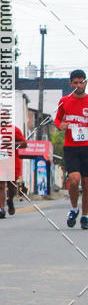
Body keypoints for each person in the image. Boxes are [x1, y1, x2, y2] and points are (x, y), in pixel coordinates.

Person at [54, 69, 88, 229]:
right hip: (71, 147)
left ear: (85, 82)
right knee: (74, 181)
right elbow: (58, 118)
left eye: (81, 82)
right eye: (75, 83)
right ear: (71, 84)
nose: (79, 85)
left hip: (87, 147)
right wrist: (61, 126)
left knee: (87, 183)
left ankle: (85, 216)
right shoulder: (65, 100)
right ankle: (74, 208)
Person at [0, 125, 27, 218]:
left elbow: (24, 144)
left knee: (11, 185)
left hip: (12, 162)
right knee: (0, 185)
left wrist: (13, 144)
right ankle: (1, 209)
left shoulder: (15, 130)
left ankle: (10, 200)